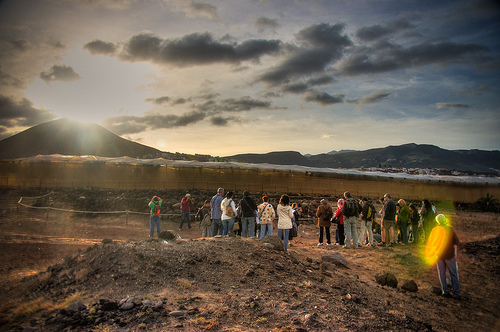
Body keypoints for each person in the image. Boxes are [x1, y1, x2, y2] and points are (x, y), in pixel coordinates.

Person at [431, 214, 461, 299]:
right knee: (453, 273)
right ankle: (456, 293)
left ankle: (445, 291)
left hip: (439, 254)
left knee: (442, 273)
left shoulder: (435, 230)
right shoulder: (450, 229)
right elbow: (456, 241)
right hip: (449, 254)